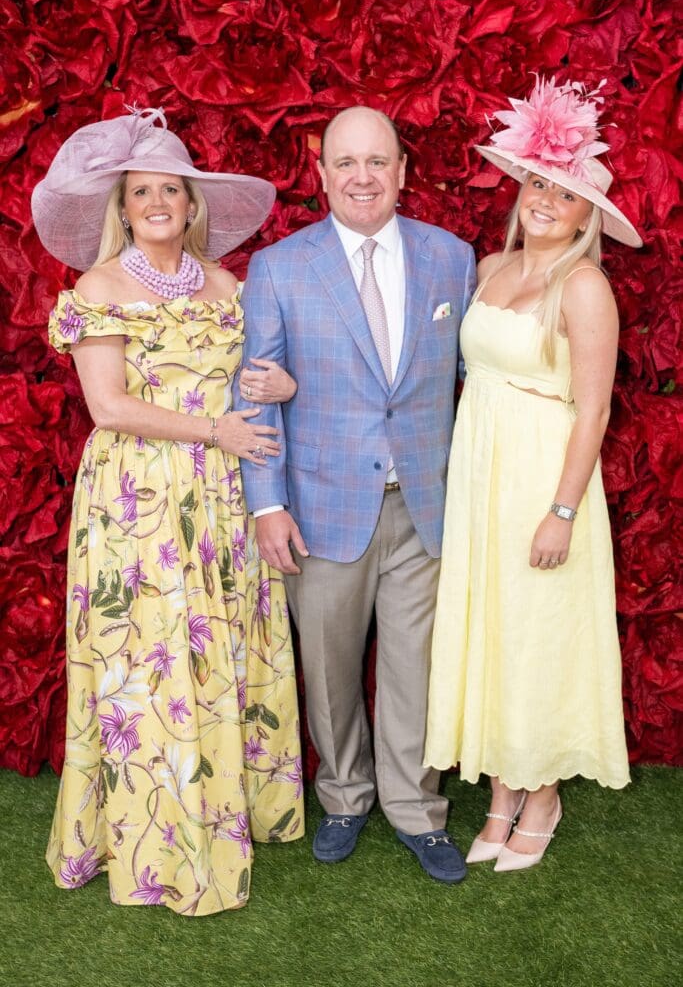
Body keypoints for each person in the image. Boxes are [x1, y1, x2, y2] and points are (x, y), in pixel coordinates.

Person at [31, 107, 304, 916]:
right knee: (150, 661)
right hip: (136, 502)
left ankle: (227, 809)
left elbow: (254, 381)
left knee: (216, 648)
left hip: (222, 499)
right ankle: (154, 831)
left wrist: (274, 389)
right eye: (140, 191)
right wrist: (214, 430)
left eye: (170, 190)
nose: (156, 203)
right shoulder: (100, 288)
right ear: (122, 207)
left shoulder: (227, 285)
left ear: (192, 206)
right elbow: (109, 407)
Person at [238, 106, 476, 883]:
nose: (363, 176)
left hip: (424, 505)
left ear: (403, 170)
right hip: (320, 508)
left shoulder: (450, 259)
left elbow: (474, 381)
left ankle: (415, 807)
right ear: (321, 175)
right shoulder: (279, 268)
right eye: (346, 163)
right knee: (330, 668)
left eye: (378, 161)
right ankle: (344, 796)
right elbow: (255, 396)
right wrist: (267, 504)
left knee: (416, 664)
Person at [424, 76, 641, 872]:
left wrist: (560, 509)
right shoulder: (490, 265)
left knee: (535, 636)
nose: (548, 201)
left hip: (540, 481)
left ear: (588, 216)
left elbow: (591, 412)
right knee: (491, 629)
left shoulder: (584, 287)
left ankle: (539, 792)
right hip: (479, 474)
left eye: (567, 193)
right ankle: (502, 792)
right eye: (539, 184)